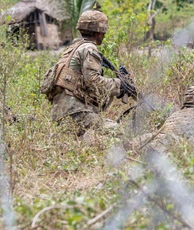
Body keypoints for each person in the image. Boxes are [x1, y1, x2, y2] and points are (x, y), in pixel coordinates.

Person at [41, 9, 136, 138]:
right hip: (76, 112)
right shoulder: (89, 49)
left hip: (62, 113)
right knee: (119, 133)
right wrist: (119, 85)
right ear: (99, 33)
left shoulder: (72, 48)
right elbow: (93, 81)